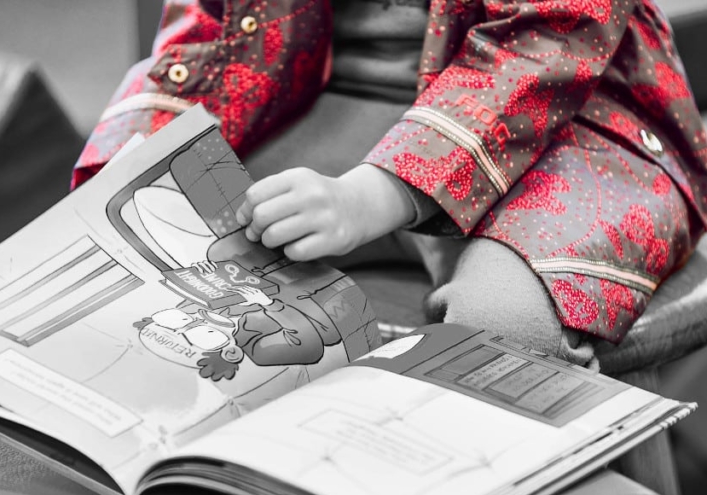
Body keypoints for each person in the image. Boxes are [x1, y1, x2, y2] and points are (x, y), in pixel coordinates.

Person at [74, 0, 707, 369]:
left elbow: (546, 45)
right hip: (335, 103)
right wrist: (124, 168)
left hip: (575, 119)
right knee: (148, 237)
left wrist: (371, 197)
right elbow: (214, 29)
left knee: (501, 328)